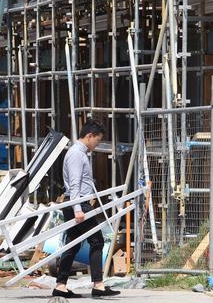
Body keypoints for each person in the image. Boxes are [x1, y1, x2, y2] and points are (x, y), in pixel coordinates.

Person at [53, 119, 120, 298]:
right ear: (89, 136)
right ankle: (98, 285)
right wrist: (77, 209)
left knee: (73, 244)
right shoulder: (77, 154)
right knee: (97, 241)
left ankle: (60, 286)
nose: (96, 145)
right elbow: (74, 184)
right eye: (97, 141)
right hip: (77, 203)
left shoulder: (78, 153)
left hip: (77, 202)